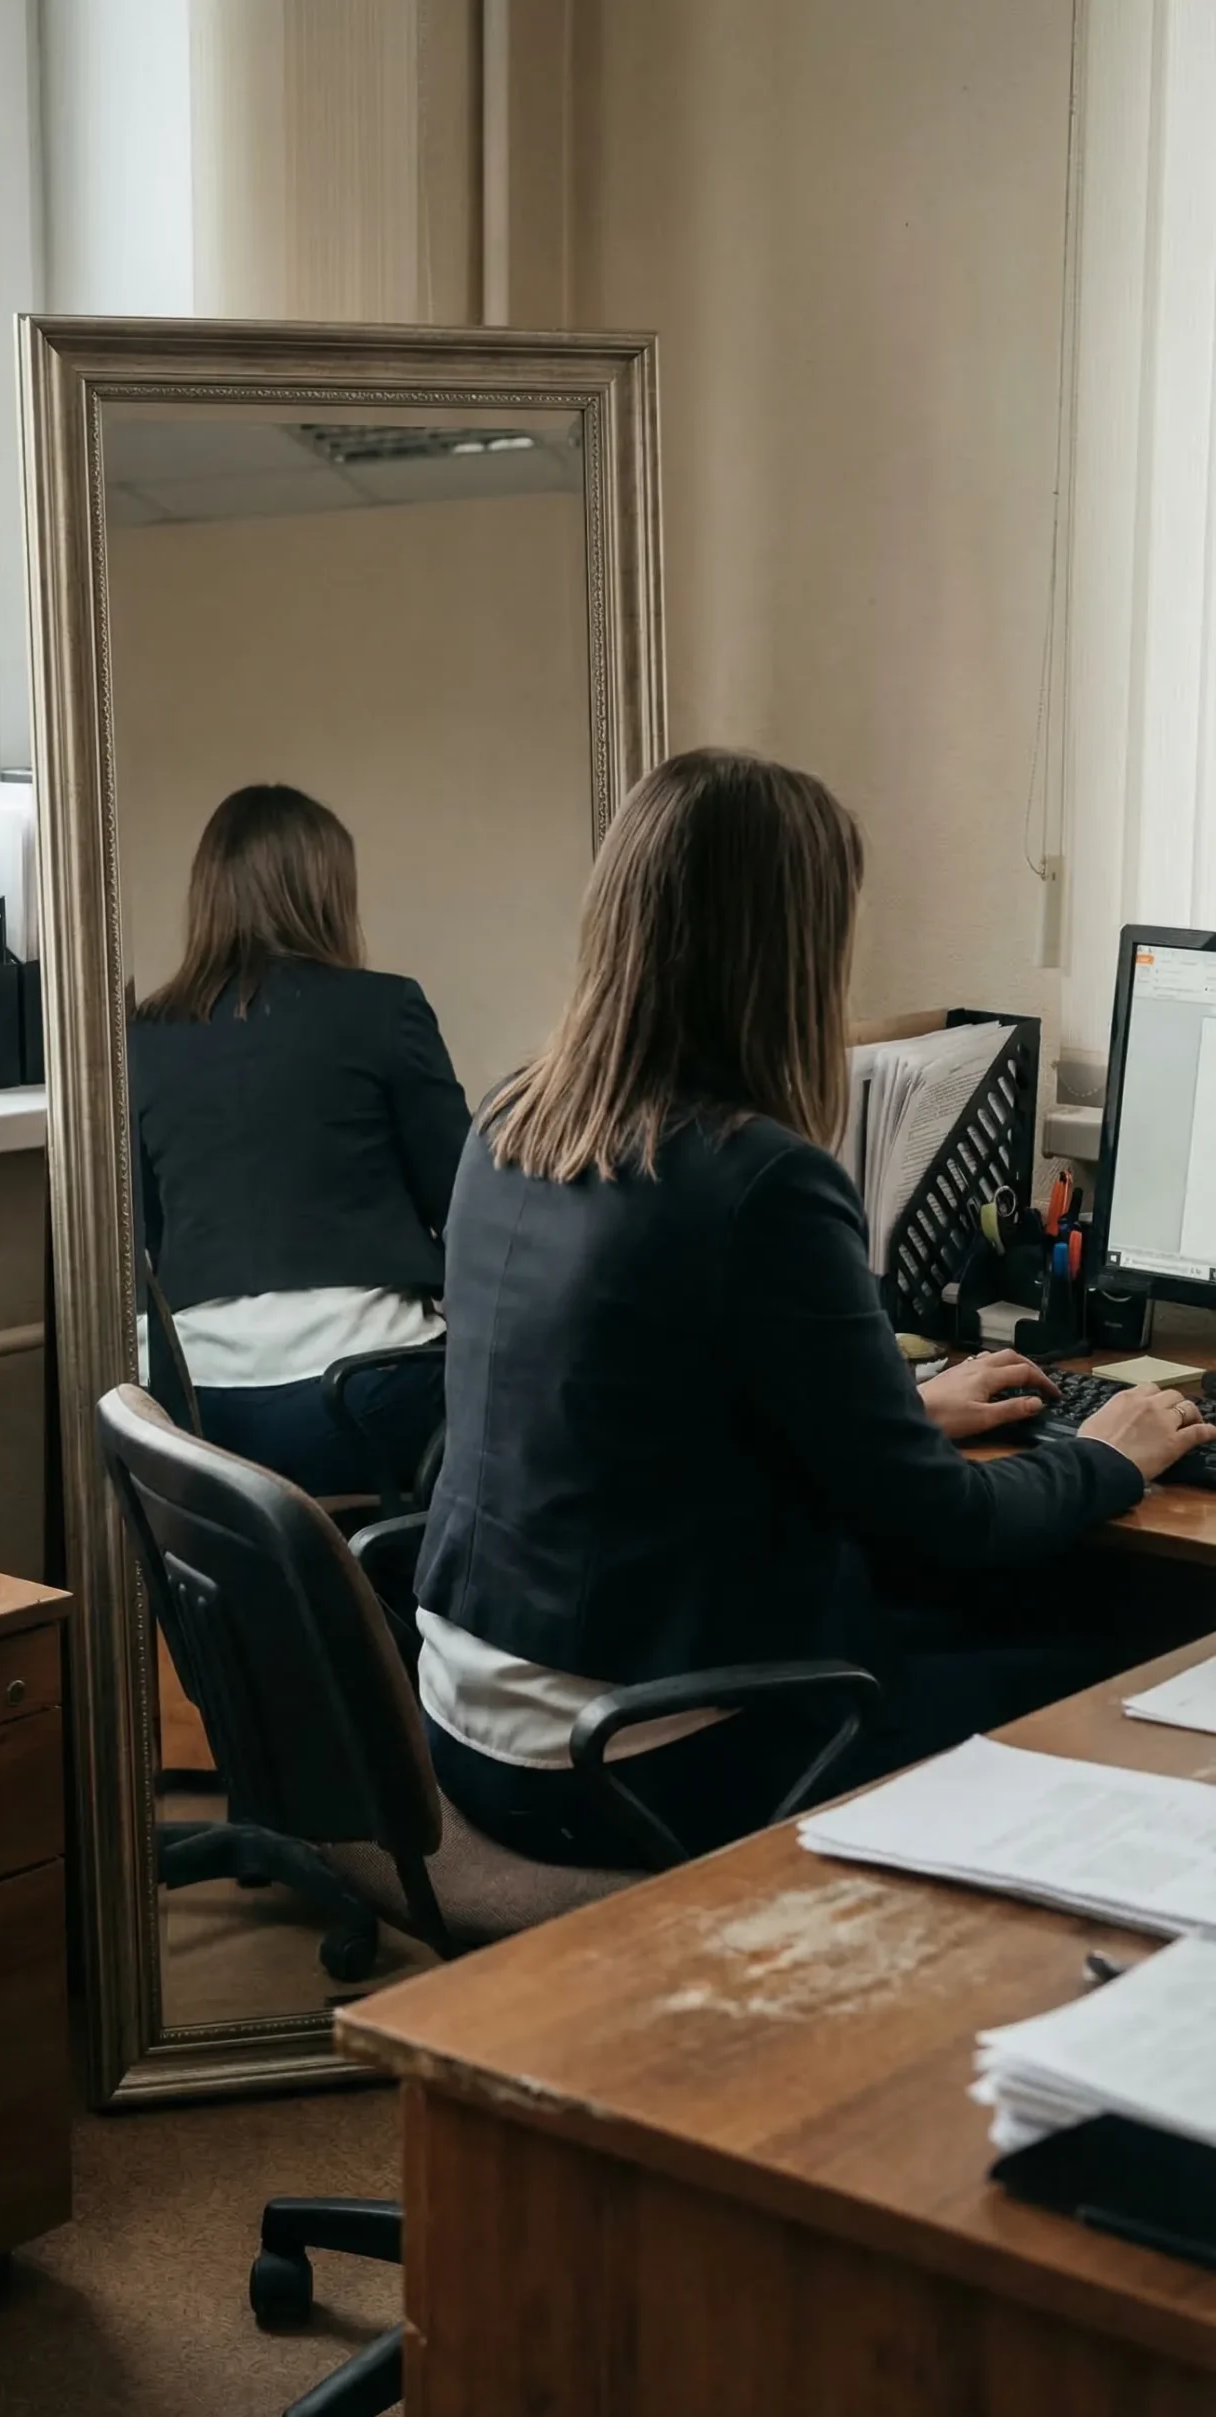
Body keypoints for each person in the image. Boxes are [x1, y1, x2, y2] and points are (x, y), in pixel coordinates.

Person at [414, 747, 1216, 1866]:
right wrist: (1109, 1453)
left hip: (470, 1728)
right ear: (787, 951)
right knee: (1131, 1657)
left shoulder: (512, 1118)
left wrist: (900, 1414)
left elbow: (629, 1412)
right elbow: (941, 1526)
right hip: (640, 1757)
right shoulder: (761, 1183)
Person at [129, 783, 470, 1497]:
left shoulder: (142, 1039)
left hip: (201, 1407)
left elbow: (144, 1237)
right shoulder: (384, 1009)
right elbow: (463, 1205)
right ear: (327, 894)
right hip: (368, 1391)